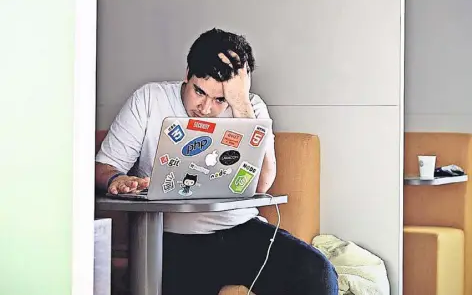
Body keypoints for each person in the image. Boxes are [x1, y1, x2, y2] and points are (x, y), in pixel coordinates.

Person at [94, 28, 338, 295]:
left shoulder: (250, 108)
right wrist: (118, 179)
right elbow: (103, 167)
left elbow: (262, 184)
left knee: (318, 273)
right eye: (199, 92)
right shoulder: (149, 99)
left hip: (240, 230)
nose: (206, 108)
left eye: (220, 99)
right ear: (187, 73)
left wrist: (241, 105)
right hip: (171, 239)